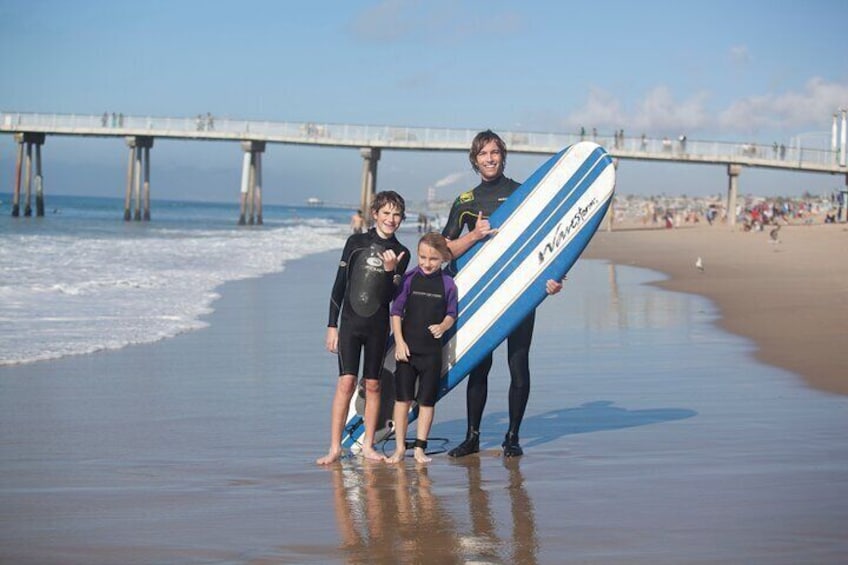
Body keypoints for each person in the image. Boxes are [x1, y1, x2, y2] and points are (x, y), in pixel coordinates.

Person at [441, 129, 563, 458]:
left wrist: (555, 278)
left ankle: (512, 436)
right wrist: (474, 237)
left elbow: (549, 242)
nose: (490, 158)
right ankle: (473, 437)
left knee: (518, 364)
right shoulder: (466, 202)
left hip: (522, 289)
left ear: (503, 156)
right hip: (480, 292)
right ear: (474, 160)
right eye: (483, 153)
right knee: (479, 366)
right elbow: (441, 251)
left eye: (494, 152)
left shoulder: (524, 194)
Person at [317, 191, 411, 464]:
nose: (391, 219)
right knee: (346, 382)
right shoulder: (355, 242)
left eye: (396, 215)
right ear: (375, 214)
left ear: (401, 219)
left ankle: (368, 445)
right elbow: (339, 285)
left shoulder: (402, 253)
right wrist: (331, 325)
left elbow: (393, 297)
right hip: (350, 323)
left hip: (377, 326)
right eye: (386, 213)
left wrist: (392, 272)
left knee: (373, 385)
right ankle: (335, 447)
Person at [386, 233, 458, 464]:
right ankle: (399, 448)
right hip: (407, 351)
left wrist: (444, 325)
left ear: (444, 258)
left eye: (433, 259)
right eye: (423, 257)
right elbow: (396, 312)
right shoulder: (409, 279)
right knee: (402, 400)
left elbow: (451, 314)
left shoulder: (448, 284)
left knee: (427, 401)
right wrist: (399, 342)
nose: (427, 263)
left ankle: (419, 448)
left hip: (431, 354)